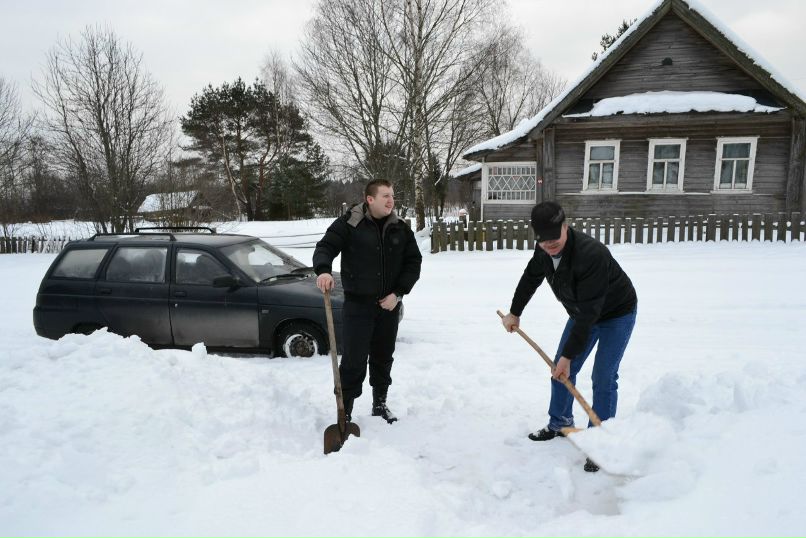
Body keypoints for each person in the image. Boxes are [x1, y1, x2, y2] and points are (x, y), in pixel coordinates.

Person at [501, 201, 637, 472]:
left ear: (566, 227)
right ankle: (560, 422)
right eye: (543, 241)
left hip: (615, 314)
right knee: (560, 371)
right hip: (581, 312)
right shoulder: (543, 251)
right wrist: (514, 312)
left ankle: (599, 443)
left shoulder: (591, 254)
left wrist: (568, 357)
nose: (550, 245)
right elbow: (530, 278)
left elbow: (589, 316)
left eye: (555, 238)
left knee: (603, 376)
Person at [313, 179, 422, 424]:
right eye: (385, 196)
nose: (391, 200)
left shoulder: (400, 228)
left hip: (388, 305)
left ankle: (379, 403)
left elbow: (413, 263)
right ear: (370, 199)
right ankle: (345, 410)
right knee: (353, 360)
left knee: (383, 357)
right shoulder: (349, 223)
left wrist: (398, 294)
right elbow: (326, 247)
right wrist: (323, 270)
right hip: (358, 306)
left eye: (392, 195)